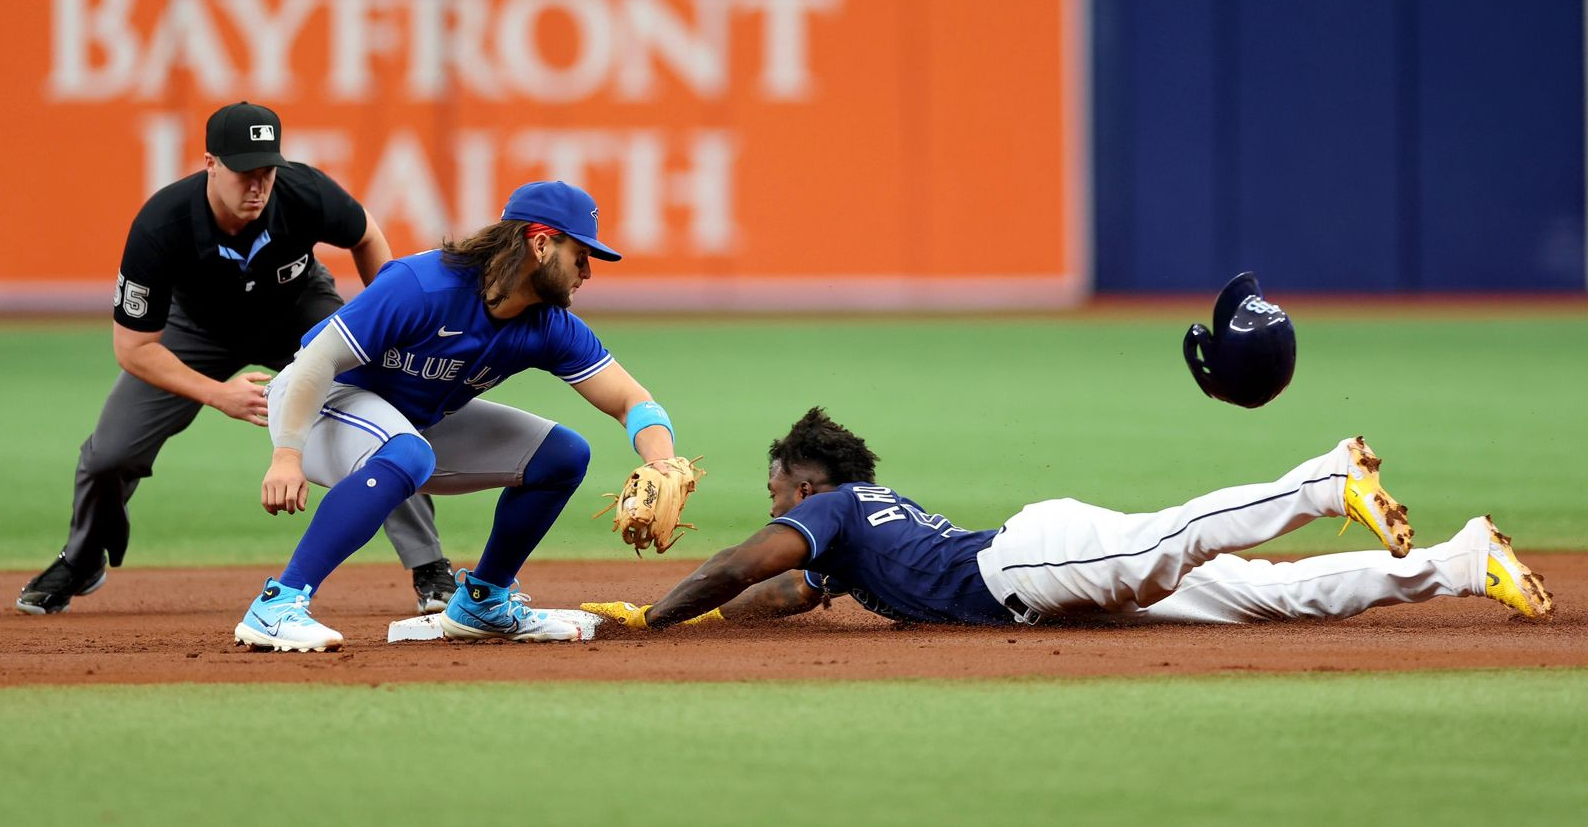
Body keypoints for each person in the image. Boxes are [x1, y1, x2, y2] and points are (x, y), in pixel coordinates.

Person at [16, 102, 454, 617]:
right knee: (109, 454)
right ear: (211, 164)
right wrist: (217, 394)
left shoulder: (303, 192)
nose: (257, 185)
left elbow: (366, 235)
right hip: (197, 331)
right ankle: (83, 556)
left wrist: (380, 320)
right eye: (244, 172)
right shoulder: (163, 225)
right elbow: (132, 349)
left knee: (378, 412)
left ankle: (429, 566)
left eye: (266, 171)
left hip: (298, 312)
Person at [582, 408, 1554, 632]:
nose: (772, 499)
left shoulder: (831, 508)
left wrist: (656, 615)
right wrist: (705, 615)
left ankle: (1323, 479)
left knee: (1172, 538)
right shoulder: (862, 531)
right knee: (1273, 597)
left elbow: (744, 568)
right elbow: (783, 593)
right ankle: (1463, 563)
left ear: (811, 480)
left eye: (777, 482)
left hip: (1031, 566)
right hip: (1044, 573)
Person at [234, 179, 687, 651]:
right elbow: (316, 360)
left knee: (562, 455)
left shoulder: (548, 326)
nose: (588, 272)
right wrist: (288, 454)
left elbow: (631, 401)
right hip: (320, 400)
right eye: (581, 255)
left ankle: (483, 602)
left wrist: (662, 462)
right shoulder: (424, 285)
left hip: (411, 421)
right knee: (408, 453)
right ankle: (277, 604)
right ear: (540, 244)